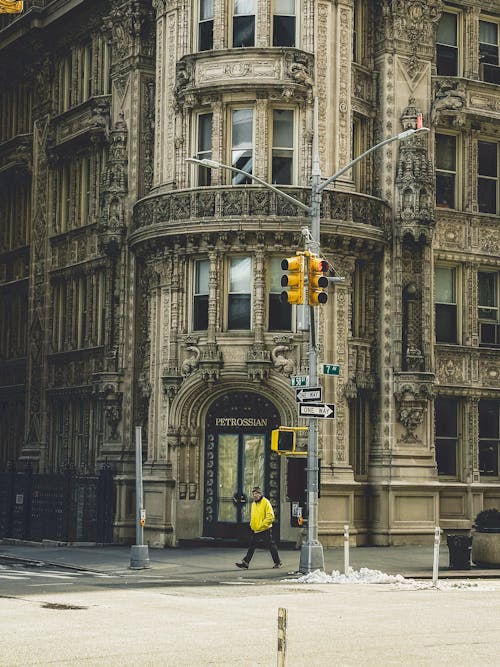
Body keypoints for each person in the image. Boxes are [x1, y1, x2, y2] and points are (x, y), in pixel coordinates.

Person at [236, 487, 282, 569]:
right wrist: (252, 525)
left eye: (257, 493)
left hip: (265, 529)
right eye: (254, 494)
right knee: (252, 546)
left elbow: (270, 517)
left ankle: (277, 562)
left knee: (271, 545)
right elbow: (253, 516)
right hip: (256, 529)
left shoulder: (266, 502)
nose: (255, 495)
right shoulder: (254, 504)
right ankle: (246, 562)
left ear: (260, 494)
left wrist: (262, 525)